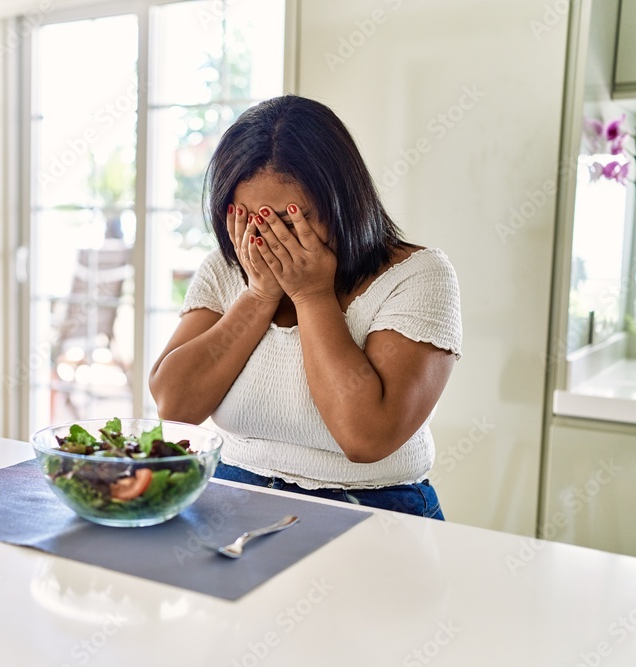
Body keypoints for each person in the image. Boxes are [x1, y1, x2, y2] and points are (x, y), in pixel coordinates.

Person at [148, 95, 462, 520]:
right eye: (252, 219)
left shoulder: (418, 276)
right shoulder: (226, 268)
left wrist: (312, 296)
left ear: (344, 203)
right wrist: (258, 298)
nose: (270, 236)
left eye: (289, 219)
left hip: (373, 506)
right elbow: (175, 407)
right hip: (232, 491)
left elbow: (365, 437)